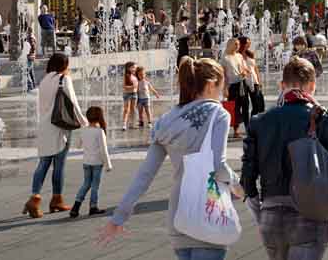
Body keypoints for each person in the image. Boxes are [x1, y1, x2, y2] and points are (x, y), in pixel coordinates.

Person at [100, 57, 245, 260]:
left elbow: (145, 175)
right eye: (223, 85)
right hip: (208, 212)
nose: (224, 91)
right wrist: (239, 186)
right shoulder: (217, 113)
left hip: (178, 217)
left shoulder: (166, 120)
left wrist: (119, 217)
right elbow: (218, 166)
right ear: (212, 84)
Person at [240, 57, 328, 260]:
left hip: (271, 215)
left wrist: (261, 214)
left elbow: (247, 177)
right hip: (310, 214)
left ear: (282, 85)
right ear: (312, 85)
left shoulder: (259, 121)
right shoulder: (321, 117)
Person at [26, 52, 81, 217]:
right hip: (59, 126)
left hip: (44, 126)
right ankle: (57, 199)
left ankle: (34, 197)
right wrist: (85, 122)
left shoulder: (44, 81)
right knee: (59, 165)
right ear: (64, 66)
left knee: (43, 163)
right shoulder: (64, 79)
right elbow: (73, 102)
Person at [71, 105, 110, 217]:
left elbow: (78, 146)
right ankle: (93, 207)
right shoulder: (99, 132)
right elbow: (104, 150)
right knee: (95, 186)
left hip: (86, 162)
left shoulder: (83, 130)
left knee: (86, 184)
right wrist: (108, 165)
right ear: (99, 117)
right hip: (97, 163)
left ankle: (75, 207)